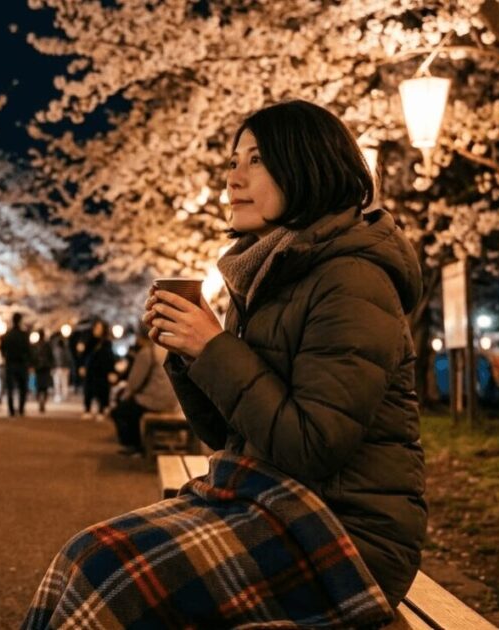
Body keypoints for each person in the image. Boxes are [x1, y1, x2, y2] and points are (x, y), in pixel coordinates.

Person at [24, 100, 424, 627]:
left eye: (255, 160)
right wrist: (190, 353)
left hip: (347, 536)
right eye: (233, 160)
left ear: (306, 165)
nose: (233, 177)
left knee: (113, 579)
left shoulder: (351, 278)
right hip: (272, 504)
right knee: (84, 554)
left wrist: (214, 347)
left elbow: (311, 445)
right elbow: (223, 433)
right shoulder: (270, 272)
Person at [109, 325, 178, 456]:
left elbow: (134, 382)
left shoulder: (148, 352)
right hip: (172, 402)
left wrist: (125, 395)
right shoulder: (168, 350)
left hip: (153, 401)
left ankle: (134, 446)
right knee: (130, 407)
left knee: (120, 411)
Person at [79, 320, 114, 420]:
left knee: (102, 390)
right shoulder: (88, 340)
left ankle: (101, 410)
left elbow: (110, 357)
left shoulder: (107, 342)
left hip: (102, 370)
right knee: (88, 389)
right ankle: (87, 409)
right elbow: (83, 355)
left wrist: (111, 371)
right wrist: (82, 366)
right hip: (90, 369)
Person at [0, 313, 32, 417]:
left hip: (10, 363)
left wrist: (6, 356)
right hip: (22, 363)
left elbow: (2, 349)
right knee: (22, 387)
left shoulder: (7, 335)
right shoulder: (24, 335)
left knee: (10, 388)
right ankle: (21, 408)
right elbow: (28, 350)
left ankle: (11, 409)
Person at [32, 329, 55, 413]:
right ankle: (43, 401)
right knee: (44, 386)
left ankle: (40, 401)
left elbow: (33, 357)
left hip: (39, 368)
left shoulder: (35, 345)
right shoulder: (47, 345)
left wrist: (33, 365)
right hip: (46, 367)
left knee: (39, 386)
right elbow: (51, 356)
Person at [49, 334, 72, 402]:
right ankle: (64, 396)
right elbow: (69, 359)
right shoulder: (66, 350)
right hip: (63, 368)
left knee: (57, 383)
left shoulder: (55, 350)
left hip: (58, 368)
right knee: (64, 383)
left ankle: (58, 396)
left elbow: (52, 360)